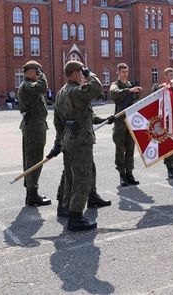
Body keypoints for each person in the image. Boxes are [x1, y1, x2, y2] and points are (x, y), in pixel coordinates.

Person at [52, 61, 113, 231]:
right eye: (81, 71)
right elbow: (96, 89)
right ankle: (76, 217)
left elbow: (63, 119)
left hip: (69, 139)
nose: (83, 75)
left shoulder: (62, 92)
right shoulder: (75, 91)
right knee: (82, 177)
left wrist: (104, 120)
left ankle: (73, 204)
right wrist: (89, 73)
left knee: (75, 174)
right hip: (80, 141)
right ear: (76, 73)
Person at [17, 60, 52, 207]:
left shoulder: (28, 85)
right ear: (31, 71)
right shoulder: (28, 86)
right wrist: (42, 75)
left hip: (34, 126)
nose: (40, 74)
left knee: (32, 159)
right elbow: (43, 87)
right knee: (34, 160)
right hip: (34, 128)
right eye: (38, 71)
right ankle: (32, 194)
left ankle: (32, 193)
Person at [109, 63, 142, 186]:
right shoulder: (115, 85)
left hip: (131, 122)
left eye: (127, 72)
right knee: (120, 150)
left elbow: (136, 102)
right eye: (123, 72)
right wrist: (130, 90)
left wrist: (137, 94)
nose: (125, 74)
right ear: (118, 72)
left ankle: (129, 173)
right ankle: (122, 175)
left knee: (130, 149)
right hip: (120, 123)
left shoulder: (130, 84)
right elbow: (114, 93)